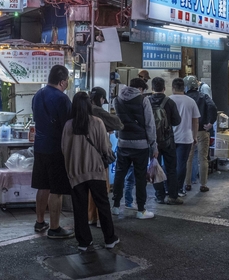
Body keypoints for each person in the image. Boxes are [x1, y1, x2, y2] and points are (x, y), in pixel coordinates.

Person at [61, 92, 119, 252]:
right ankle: (109, 239)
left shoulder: (68, 125)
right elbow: (104, 148)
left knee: (79, 207)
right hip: (95, 171)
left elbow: (64, 149)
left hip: (75, 172)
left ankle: (84, 242)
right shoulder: (97, 122)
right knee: (103, 205)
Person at [31, 65, 74, 239]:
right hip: (56, 149)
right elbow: (68, 126)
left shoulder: (38, 95)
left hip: (39, 147)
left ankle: (40, 221)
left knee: (43, 186)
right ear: (62, 82)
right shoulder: (62, 99)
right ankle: (55, 228)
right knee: (56, 189)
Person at [112, 78, 157, 219]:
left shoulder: (117, 99)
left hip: (123, 142)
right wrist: (153, 144)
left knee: (120, 174)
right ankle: (141, 210)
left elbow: (118, 121)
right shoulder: (143, 100)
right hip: (140, 145)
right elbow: (150, 124)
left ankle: (115, 206)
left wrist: (119, 135)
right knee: (140, 177)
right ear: (140, 89)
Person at [87, 87, 122, 226]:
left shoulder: (80, 110)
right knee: (102, 187)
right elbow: (118, 123)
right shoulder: (97, 111)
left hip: (84, 155)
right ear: (101, 98)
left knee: (89, 188)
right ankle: (101, 219)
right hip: (98, 154)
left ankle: (91, 217)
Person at [148, 77, 182, 205]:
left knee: (155, 167)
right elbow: (177, 121)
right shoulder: (169, 102)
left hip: (152, 142)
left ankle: (159, 196)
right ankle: (173, 196)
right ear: (164, 88)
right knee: (171, 168)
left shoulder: (147, 101)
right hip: (168, 141)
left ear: (152, 88)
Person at [181, 77, 209, 193]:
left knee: (188, 158)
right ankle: (203, 184)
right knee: (202, 158)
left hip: (188, 131)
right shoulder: (203, 96)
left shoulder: (185, 99)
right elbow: (213, 107)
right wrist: (210, 122)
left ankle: (187, 183)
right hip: (202, 131)